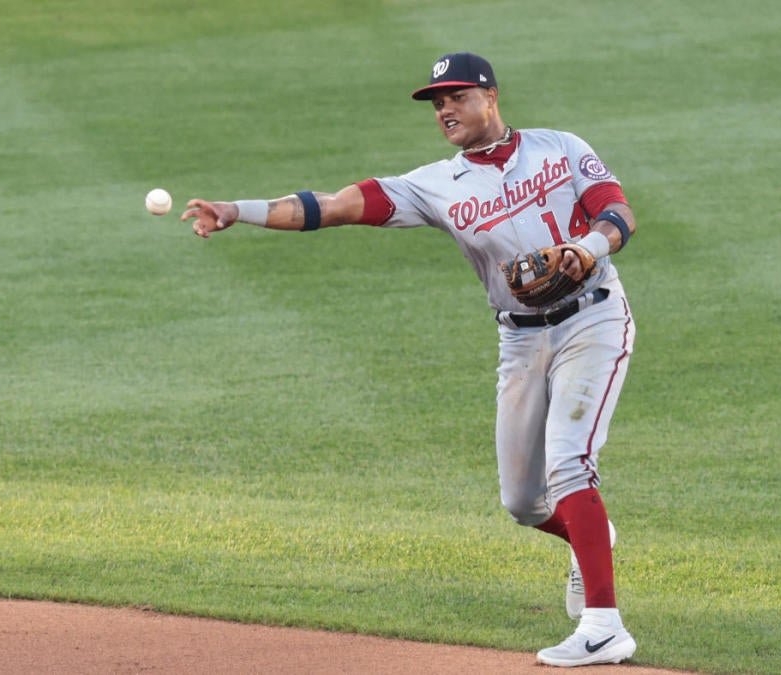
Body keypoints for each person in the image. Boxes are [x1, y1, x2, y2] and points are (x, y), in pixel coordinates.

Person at [181, 52, 638, 667]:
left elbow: (618, 212)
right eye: (435, 101)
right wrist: (240, 210)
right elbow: (334, 205)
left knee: (569, 461)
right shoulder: (434, 185)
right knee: (524, 501)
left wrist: (585, 249)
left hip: (594, 318)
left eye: (454, 96)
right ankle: (593, 539)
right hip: (522, 339)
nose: (443, 108)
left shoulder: (559, 148)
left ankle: (605, 627)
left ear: (490, 96)